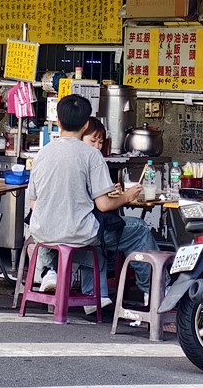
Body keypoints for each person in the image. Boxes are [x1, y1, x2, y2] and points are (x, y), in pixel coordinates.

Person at [26, 95, 160, 314]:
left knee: (93, 231)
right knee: (138, 229)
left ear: (57, 122)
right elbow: (105, 204)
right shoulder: (91, 155)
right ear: (86, 124)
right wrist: (127, 196)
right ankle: (154, 293)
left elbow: (33, 203)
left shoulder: (42, 153)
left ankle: (86, 290)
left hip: (43, 233)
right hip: (80, 234)